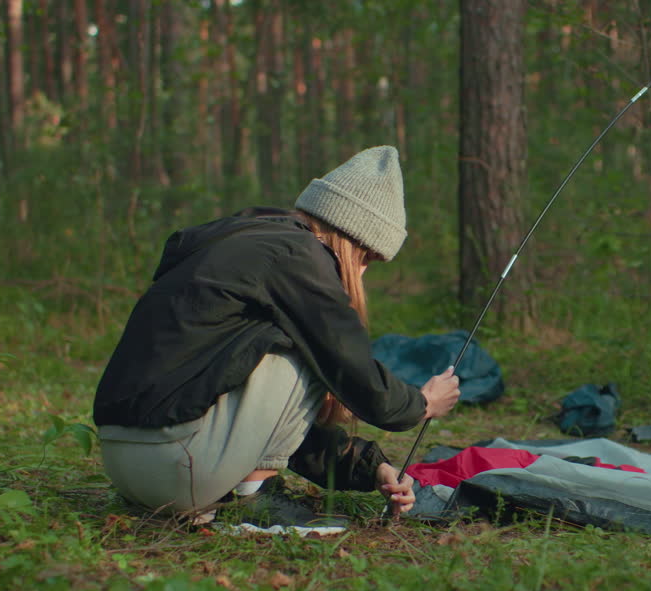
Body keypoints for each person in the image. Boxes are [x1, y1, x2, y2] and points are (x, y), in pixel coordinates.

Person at [92, 146, 460, 523]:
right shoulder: (299, 259)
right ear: (355, 241)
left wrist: (371, 467)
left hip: (126, 465)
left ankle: (246, 490)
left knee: (289, 345)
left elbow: (261, 420)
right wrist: (422, 403)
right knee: (303, 350)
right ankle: (252, 505)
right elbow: (359, 376)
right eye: (367, 260)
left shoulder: (247, 243)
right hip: (177, 469)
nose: (362, 275)